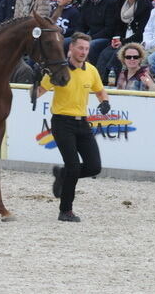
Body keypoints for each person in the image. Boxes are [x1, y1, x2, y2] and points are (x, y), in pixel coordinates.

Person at [37, 32, 109, 223]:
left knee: (94, 167)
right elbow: (39, 91)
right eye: (80, 48)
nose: (84, 52)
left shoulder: (91, 70)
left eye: (86, 49)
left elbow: (100, 91)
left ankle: (62, 174)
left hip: (82, 122)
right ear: (71, 48)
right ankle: (65, 211)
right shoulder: (59, 70)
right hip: (62, 122)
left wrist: (105, 102)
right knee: (74, 167)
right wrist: (36, 78)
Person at [78, 0, 119, 64]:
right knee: (67, 42)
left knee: (91, 45)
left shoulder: (112, 1)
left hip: (106, 38)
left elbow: (109, 29)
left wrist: (88, 38)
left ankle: (91, 73)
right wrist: (78, 36)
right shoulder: (87, 2)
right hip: (91, 35)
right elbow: (81, 24)